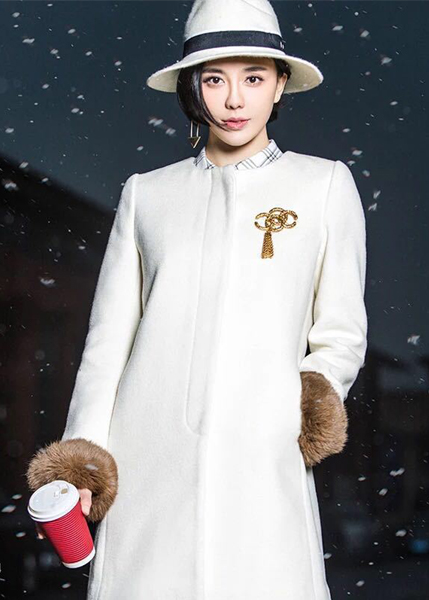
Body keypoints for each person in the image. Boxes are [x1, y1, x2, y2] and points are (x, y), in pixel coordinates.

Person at [26, 0, 368, 598]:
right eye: (214, 79)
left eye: (253, 78)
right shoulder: (147, 195)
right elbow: (107, 345)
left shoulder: (323, 185)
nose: (234, 100)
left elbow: (340, 332)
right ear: (192, 88)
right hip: (147, 458)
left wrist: (302, 406)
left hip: (262, 456)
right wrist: (83, 460)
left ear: (280, 84)